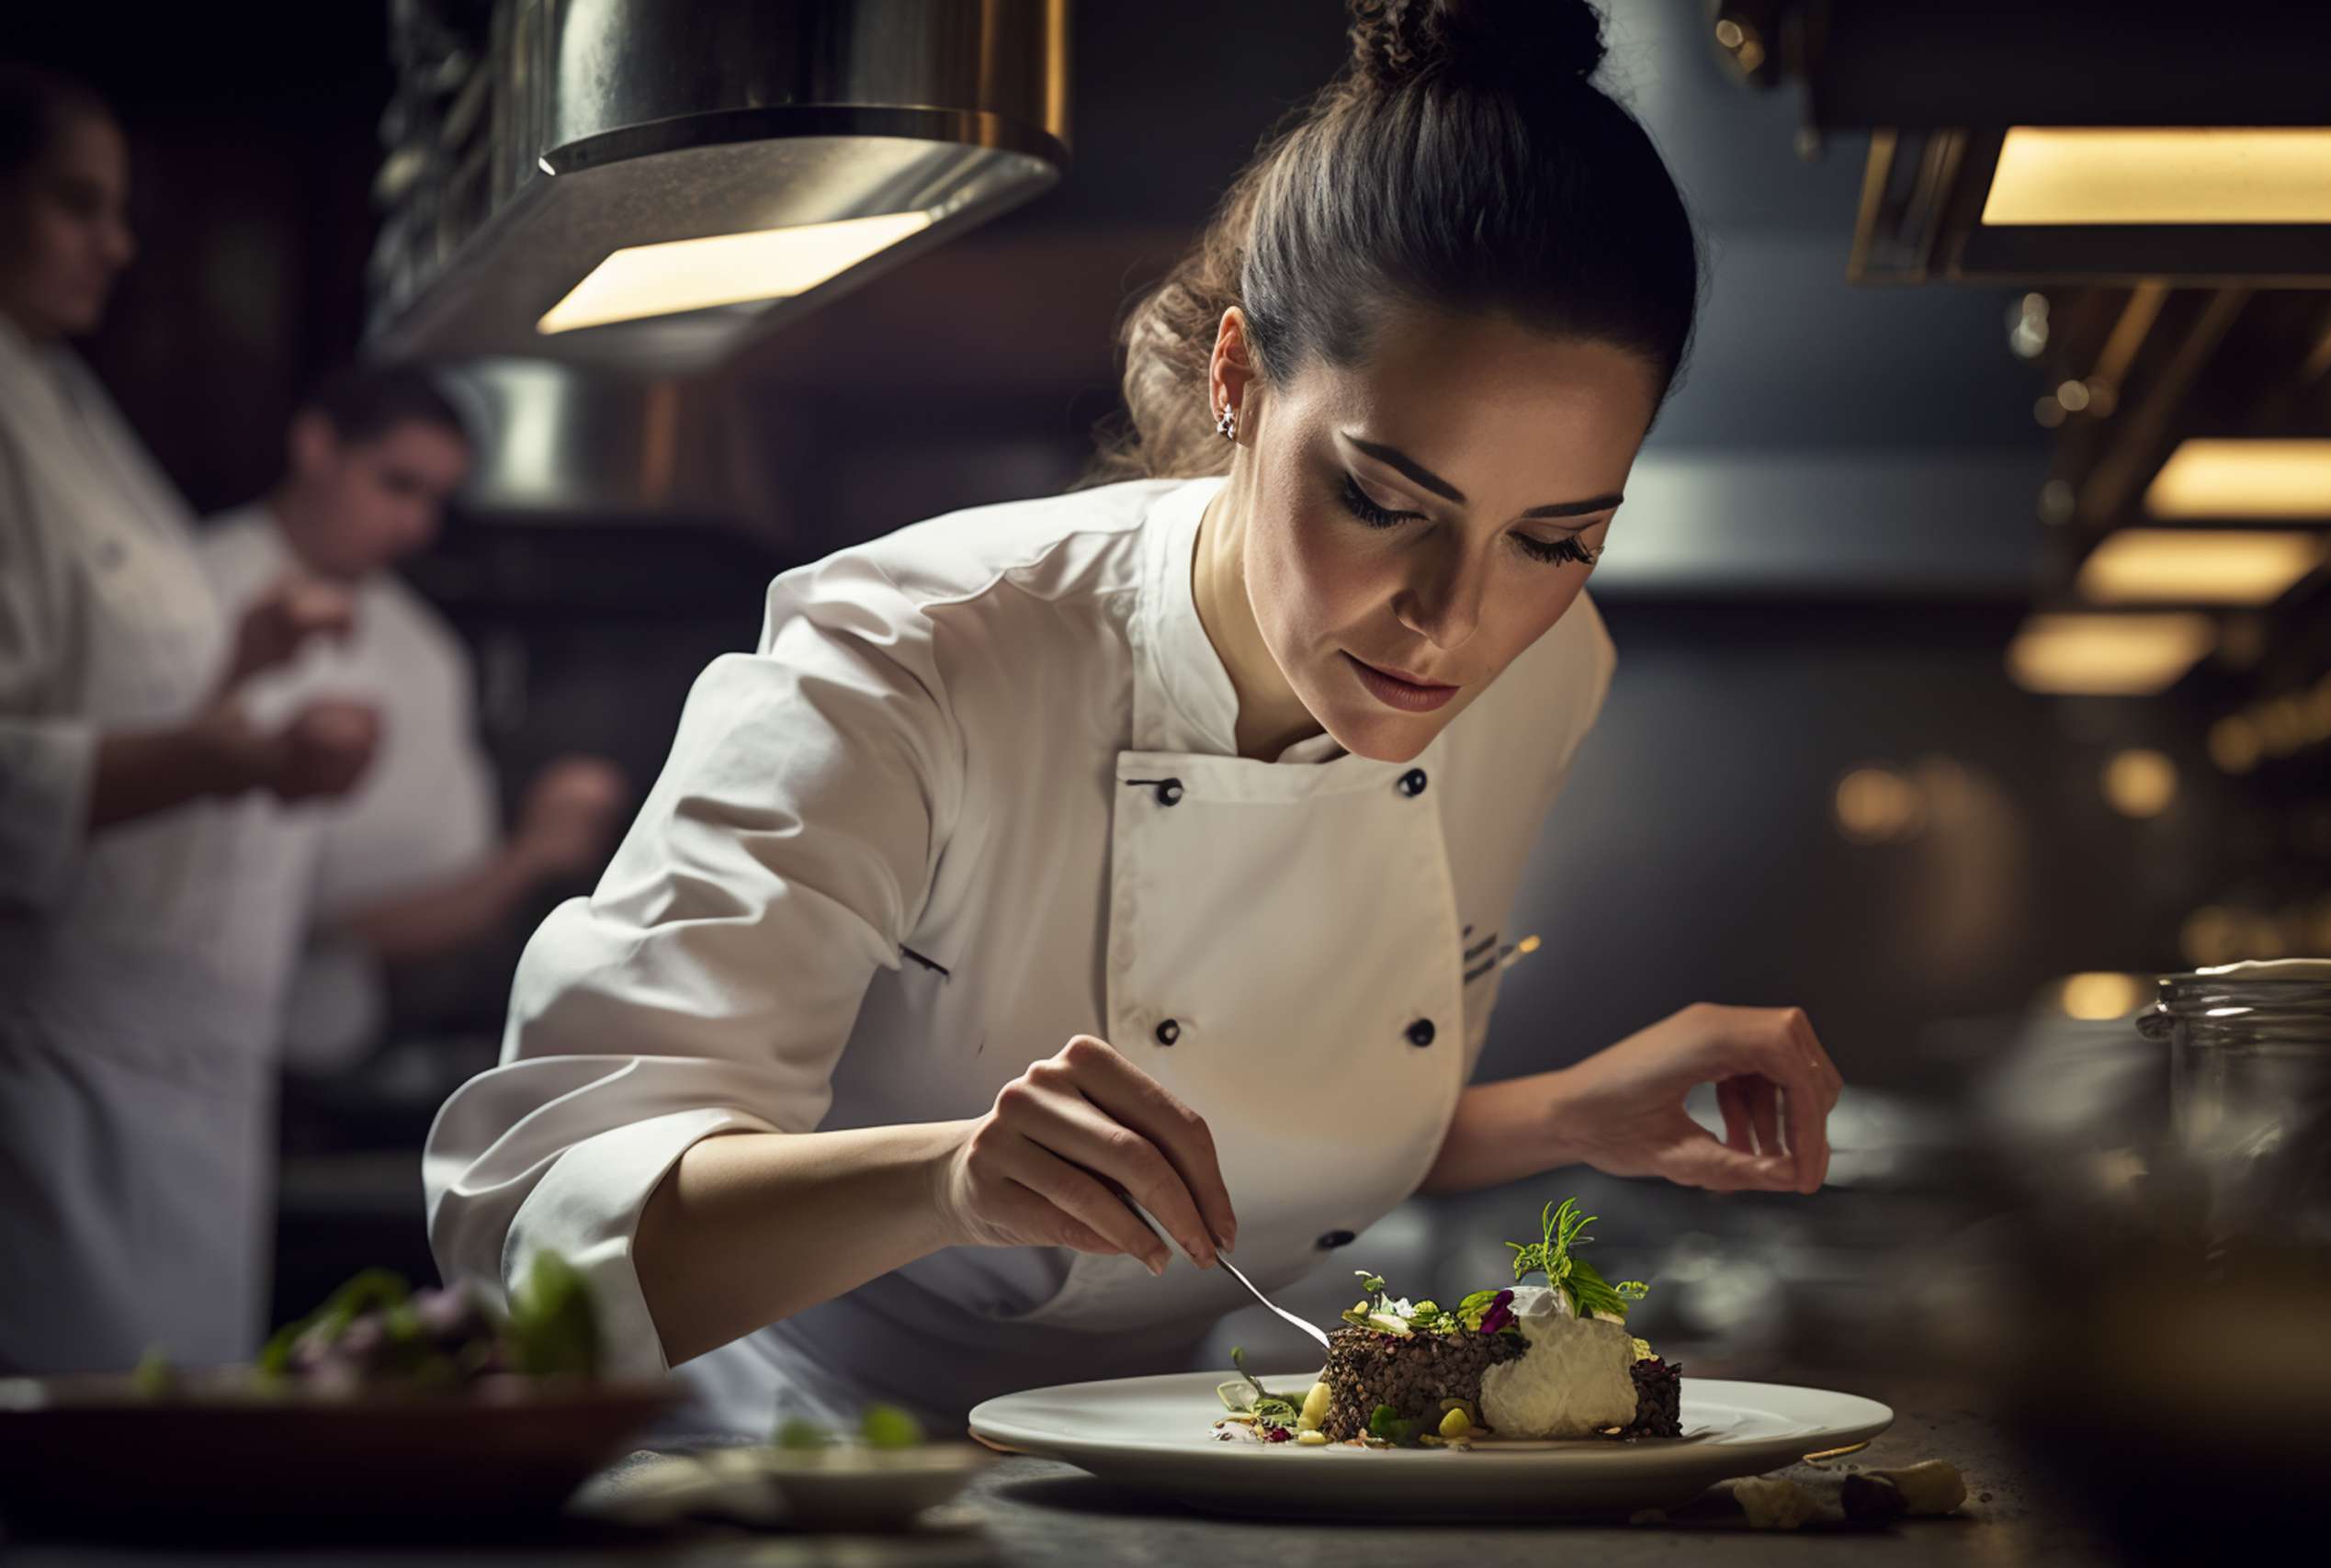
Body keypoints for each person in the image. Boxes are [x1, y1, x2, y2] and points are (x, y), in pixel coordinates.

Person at [424, 0, 1846, 1438]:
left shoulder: (1548, 672)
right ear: (1239, 377)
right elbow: (528, 1226)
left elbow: (1237, 1150)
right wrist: (947, 1181)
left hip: (1190, 1446)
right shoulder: (915, 657)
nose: (1453, 621)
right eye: (1383, 500)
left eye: (1555, 538)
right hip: (800, 1450)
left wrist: (1563, 1112)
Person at [0, 64, 378, 1373]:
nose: (114, 242)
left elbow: (103, 686)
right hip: (45, 1056)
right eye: (74, 202)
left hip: (179, 1070)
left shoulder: (58, 391)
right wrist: (239, 755)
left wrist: (243, 659)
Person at [198, 367, 627, 1073]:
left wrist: (534, 853)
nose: (416, 525)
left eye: (436, 500)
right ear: (316, 446)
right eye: (396, 484)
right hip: (145, 1022)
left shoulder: (426, 652)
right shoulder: (186, 595)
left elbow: (391, 908)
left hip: (318, 1049)